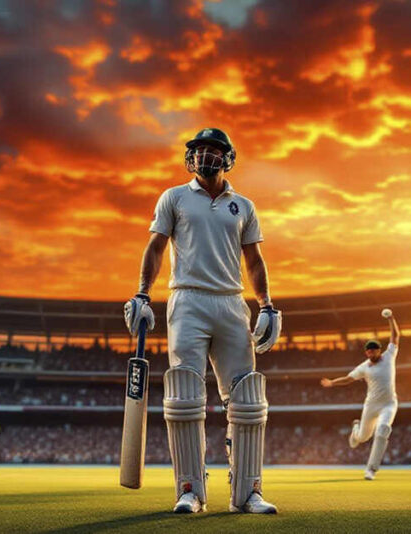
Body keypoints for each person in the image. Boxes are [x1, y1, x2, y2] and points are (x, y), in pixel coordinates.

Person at [124, 128, 281, 514]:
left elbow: (254, 261)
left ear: (227, 158)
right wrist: (143, 293)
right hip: (187, 298)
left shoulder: (242, 205)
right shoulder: (173, 197)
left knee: (246, 398)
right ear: (189, 157)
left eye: (213, 150)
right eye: (199, 150)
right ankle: (190, 490)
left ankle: (248, 493)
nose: (205, 156)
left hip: (231, 301)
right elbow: (155, 247)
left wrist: (266, 305)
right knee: (184, 395)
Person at [320, 309, 401, 480]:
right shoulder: (364, 367)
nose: (372, 353)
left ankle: (371, 469)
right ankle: (356, 430)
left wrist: (391, 318)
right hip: (371, 406)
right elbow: (349, 379)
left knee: (383, 430)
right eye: (369, 351)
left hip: (389, 404)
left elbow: (396, 336)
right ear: (366, 353)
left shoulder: (389, 356)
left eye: (374, 350)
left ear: (380, 350)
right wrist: (333, 382)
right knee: (363, 438)